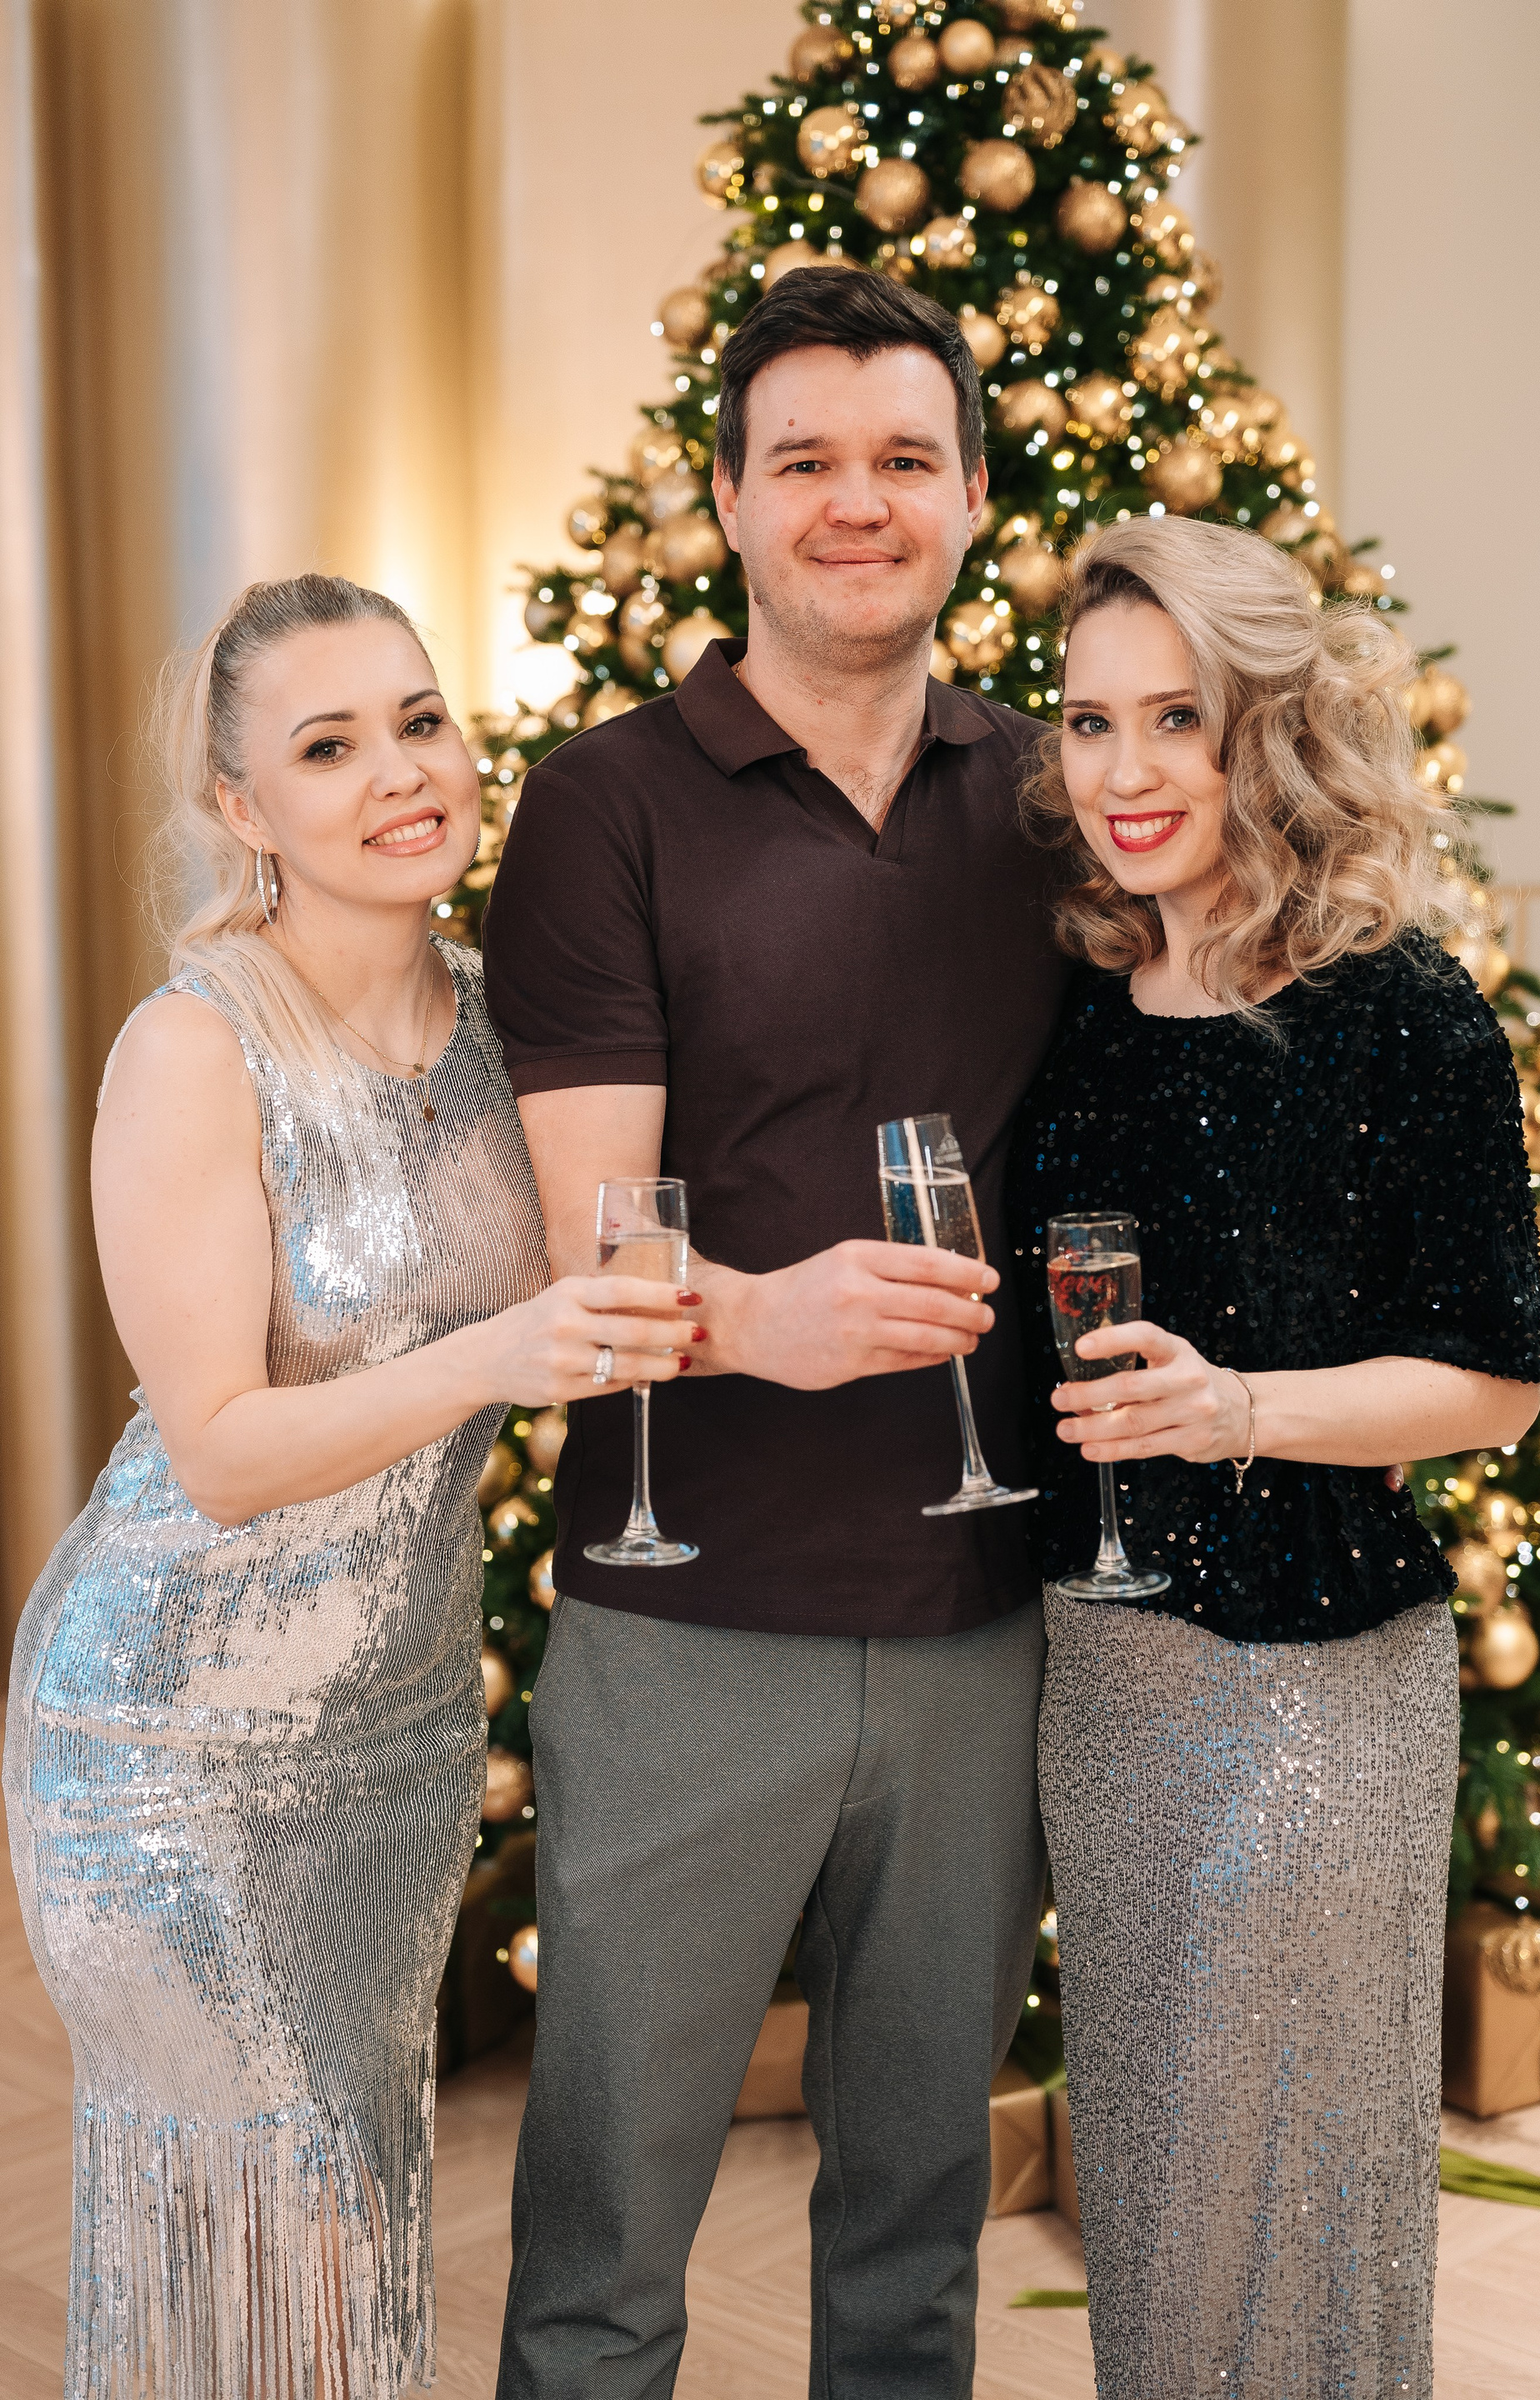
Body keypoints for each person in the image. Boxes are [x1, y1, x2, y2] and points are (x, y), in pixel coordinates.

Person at [3, 573, 695, 2400]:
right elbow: (220, 1451)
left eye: (419, 720)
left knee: (356, 2230)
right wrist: (498, 1356)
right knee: (273, 2229)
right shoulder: (195, 1046)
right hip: (170, 1745)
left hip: (394, 1736)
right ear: (242, 806)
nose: (402, 773)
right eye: (329, 747)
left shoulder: (513, 1022)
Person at [485, 268, 1068, 2397]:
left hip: (985, 1624)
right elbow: (587, 1247)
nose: (856, 502)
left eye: (905, 459)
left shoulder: (1054, 796)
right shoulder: (604, 802)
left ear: (974, 498)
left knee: (917, 2242)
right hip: (686, 1626)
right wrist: (764, 1315)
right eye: (804, 460)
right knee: (606, 2255)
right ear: (727, 500)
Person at [1008, 515, 1540, 2398]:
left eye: (1181, 718)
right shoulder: (1078, 1010)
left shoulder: (1405, 1011)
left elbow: (1495, 1385)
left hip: (1322, 1686)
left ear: (1275, 730)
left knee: (1302, 2181)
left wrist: (1243, 1410)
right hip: (1105, 1676)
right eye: (1091, 722)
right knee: (1160, 2188)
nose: (1126, 771)